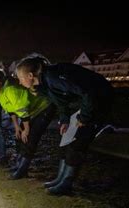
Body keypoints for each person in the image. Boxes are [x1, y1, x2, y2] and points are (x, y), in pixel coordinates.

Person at [15, 55, 114, 195]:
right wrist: (65, 120)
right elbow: (61, 102)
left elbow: (88, 92)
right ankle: (60, 179)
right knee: (65, 139)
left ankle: (66, 183)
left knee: (77, 143)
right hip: (84, 102)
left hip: (100, 99)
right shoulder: (44, 85)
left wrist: (84, 118)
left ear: (30, 75)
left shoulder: (53, 77)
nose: (19, 82)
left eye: (20, 78)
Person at [0, 66, 56, 179]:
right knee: (19, 137)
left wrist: (26, 129)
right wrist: (17, 126)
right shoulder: (0, 93)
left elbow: (22, 110)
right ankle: (19, 165)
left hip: (44, 108)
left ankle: (23, 169)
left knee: (30, 137)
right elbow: (12, 110)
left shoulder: (10, 89)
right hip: (30, 112)